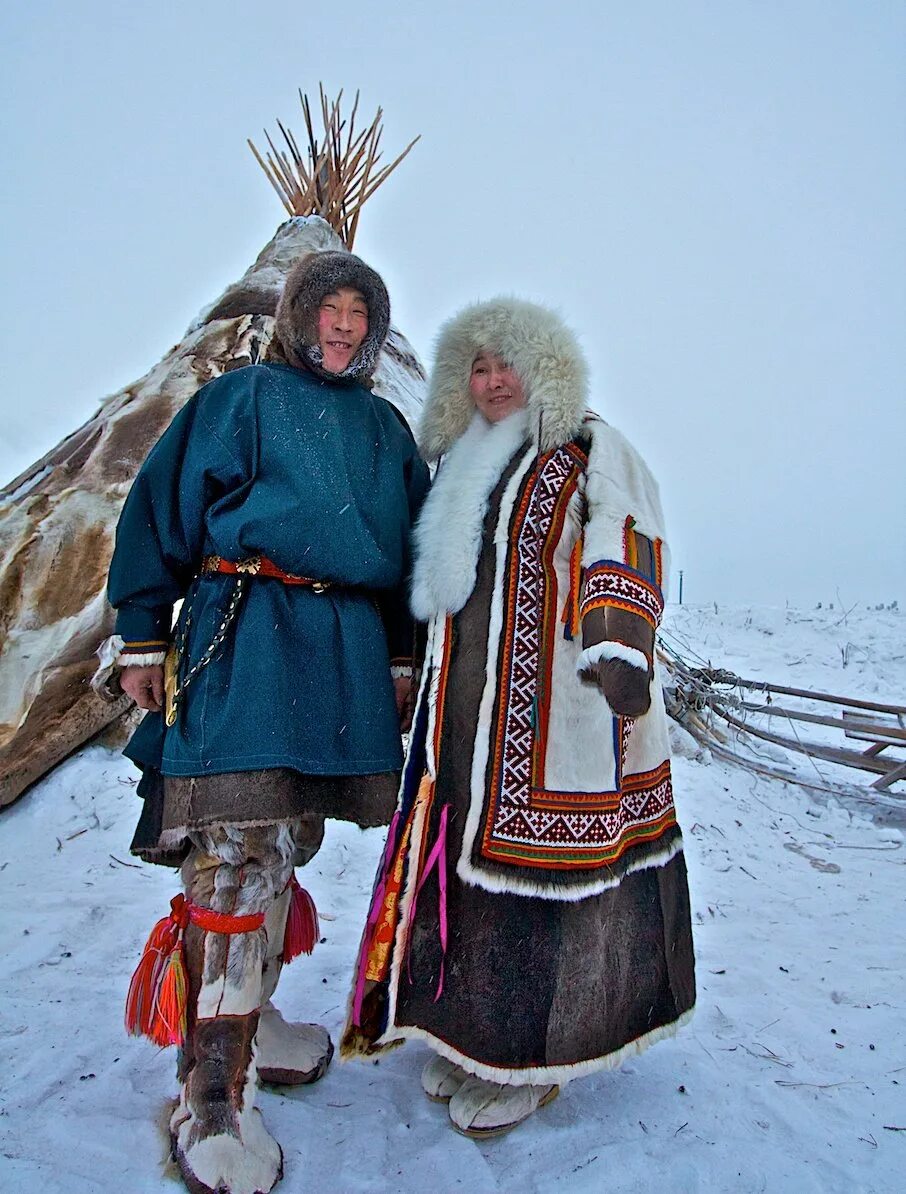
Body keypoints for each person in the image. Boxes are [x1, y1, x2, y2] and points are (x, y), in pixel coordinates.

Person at [102, 250, 429, 1194]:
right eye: (327, 308)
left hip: (339, 655)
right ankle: (212, 1089)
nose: (343, 325)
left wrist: (400, 661)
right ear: (296, 315)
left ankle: (258, 1009)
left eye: (360, 313)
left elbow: (411, 547)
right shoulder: (239, 399)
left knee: (290, 835)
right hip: (246, 639)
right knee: (237, 849)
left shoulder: (382, 427)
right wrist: (137, 637)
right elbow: (155, 510)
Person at [343, 298, 695, 1137]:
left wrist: (617, 645)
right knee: (462, 869)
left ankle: (538, 1057)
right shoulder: (462, 463)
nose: (494, 381)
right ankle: (473, 1034)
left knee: (545, 881)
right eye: (479, 366)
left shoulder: (587, 447)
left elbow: (630, 530)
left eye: (510, 364)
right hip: (462, 720)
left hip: (560, 716)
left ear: (545, 370)